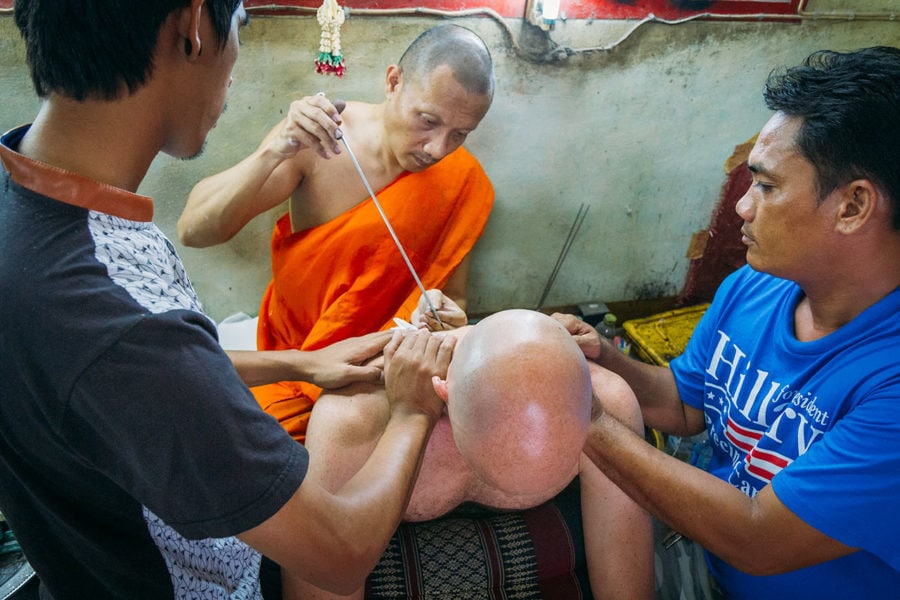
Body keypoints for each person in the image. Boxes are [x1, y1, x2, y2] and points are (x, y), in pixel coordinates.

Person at [0, 1, 456, 597]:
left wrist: (301, 363)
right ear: (193, 26)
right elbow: (343, 554)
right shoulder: (113, 323)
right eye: (240, 25)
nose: (438, 146)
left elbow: (141, 376)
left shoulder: (37, 203)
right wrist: (413, 409)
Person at [554, 46, 900, 599]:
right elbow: (688, 404)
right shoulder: (757, 286)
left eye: (765, 185)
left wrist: (585, 420)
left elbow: (759, 539)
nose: (741, 207)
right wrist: (602, 357)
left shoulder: (888, 382)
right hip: (703, 555)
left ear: (853, 206)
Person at [177, 23, 496, 443]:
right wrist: (277, 147)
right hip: (299, 358)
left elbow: (453, 301)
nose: (437, 149)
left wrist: (443, 314)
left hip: (383, 369)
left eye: (459, 134)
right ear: (393, 81)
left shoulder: (462, 179)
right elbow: (194, 231)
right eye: (427, 121)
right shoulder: (322, 140)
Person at [286, 305, 654, 599]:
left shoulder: (603, 403)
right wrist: (412, 417)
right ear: (445, 394)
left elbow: (625, 589)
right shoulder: (353, 420)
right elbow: (326, 581)